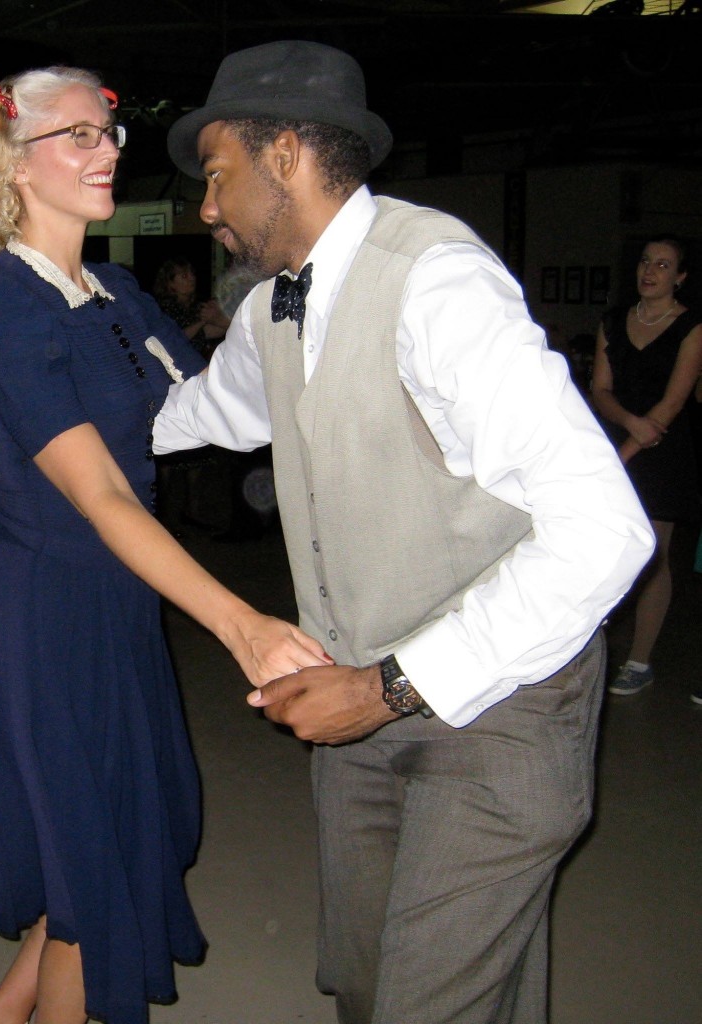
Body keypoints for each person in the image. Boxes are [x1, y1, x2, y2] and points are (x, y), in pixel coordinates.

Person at [155, 40, 655, 1024]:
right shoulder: (270, 312)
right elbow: (205, 413)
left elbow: (606, 529)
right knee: (371, 982)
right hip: (361, 697)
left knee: (432, 1003)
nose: (206, 208)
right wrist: (66, 432)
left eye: (216, 176)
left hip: (503, 701)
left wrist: (390, 686)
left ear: (286, 155)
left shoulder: (438, 285)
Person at [0, 65, 328, 1024]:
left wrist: (293, 317)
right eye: (77, 135)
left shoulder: (114, 290)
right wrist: (239, 623)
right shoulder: (7, 308)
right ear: (15, 164)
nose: (107, 149)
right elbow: (103, 496)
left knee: (104, 844)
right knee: (88, 866)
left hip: (114, 601)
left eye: (108, 131)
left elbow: (205, 406)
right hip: (43, 606)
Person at [591, 236, 702, 698]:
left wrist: (625, 455)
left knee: (651, 553)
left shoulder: (692, 326)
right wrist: (625, 428)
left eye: (662, 264)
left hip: (664, 454)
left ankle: (639, 660)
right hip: (620, 437)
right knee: (598, 548)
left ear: (679, 277)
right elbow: (600, 389)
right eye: (644, 261)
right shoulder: (615, 321)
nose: (649, 271)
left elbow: (673, 404)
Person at [152, 256, 229, 360]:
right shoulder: (163, 309)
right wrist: (203, 321)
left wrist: (218, 313)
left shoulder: (195, 306)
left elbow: (211, 331)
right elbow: (175, 339)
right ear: (170, 283)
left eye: (192, 274)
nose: (192, 278)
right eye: (184, 276)